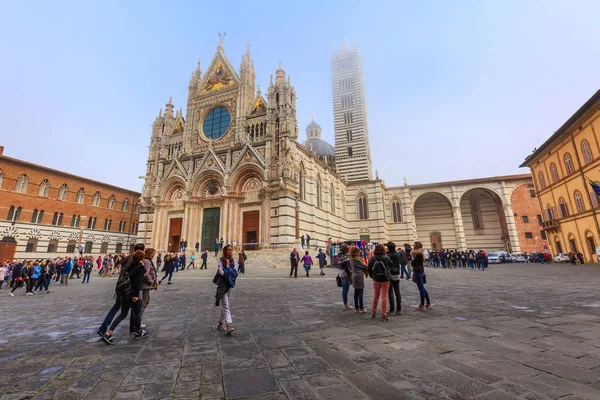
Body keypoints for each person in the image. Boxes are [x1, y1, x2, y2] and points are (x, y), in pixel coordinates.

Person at [102, 250, 150, 344]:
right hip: (134, 294)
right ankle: (139, 331)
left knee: (123, 314)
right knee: (137, 313)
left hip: (125, 293)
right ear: (142, 258)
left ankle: (109, 333)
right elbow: (138, 283)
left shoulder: (129, 266)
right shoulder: (140, 267)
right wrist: (136, 295)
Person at [215, 244, 238, 334]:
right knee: (226, 304)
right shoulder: (221, 261)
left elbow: (235, 272)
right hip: (222, 285)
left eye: (231, 250)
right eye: (228, 250)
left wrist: (227, 271)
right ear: (225, 251)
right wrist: (229, 271)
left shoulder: (233, 261)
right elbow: (221, 272)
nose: (230, 251)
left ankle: (220, 324)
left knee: (226, 304)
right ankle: (229, 324)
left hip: (230, 285)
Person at [367, 244, 392, 321]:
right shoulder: (386, 258)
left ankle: (373, 312)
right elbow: (391, 266)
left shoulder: (372, 258)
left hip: (376, 279)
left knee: (375, 295)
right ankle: (384, 314)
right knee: (384, 296)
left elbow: (369, 269)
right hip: (385, 279)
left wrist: (373, 276)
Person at [411, 241, 431, 310]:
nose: (413, 246)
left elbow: (413, 262)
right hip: (420, 271)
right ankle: (428, 303)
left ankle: (422, 305)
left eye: (414, 245)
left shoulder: (418, 254)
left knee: (421, 289)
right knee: (422, 288)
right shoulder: (420, 253)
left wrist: (412, 261)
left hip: (418, 272)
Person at [349, 246, 367, 313]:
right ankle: (361, 308)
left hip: (353, 276)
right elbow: (365, 266)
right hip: (359, 276)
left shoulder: (351, 259)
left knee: (356, 292)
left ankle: (356, 307)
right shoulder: (357, 259)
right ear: (356, 252)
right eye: (358, 251)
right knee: (360, 292)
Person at [386, 242, 402, 316]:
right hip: (397, 273)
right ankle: (399, 309)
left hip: (390, 274)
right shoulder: (398, 254)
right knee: (397, 291)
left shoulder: (387, 255)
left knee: (390, 292)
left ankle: (392, 308)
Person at [338, 244, 351, 309]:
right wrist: (349, 274)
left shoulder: (341, 256)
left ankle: (345, 303)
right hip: (345, 274)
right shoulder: (345, 257)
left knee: (345, 289)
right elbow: (347, 267)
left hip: (342, 273)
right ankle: (345, 304)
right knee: (345, 289)